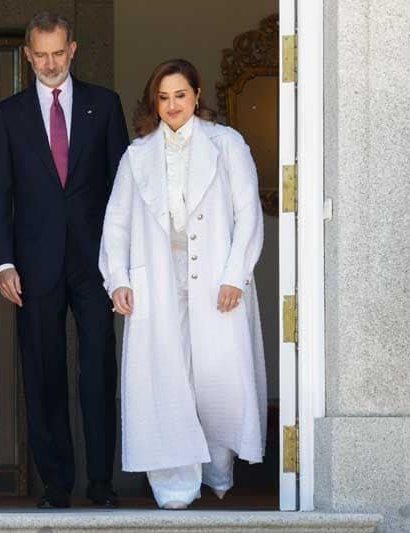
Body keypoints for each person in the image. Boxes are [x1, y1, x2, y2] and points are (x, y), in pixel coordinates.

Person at [99, 58, 266, 509]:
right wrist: (116, 279)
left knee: (216, 375)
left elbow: (249, 212)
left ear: (196, 96)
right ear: (154, 102)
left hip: (216, 275)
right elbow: (116, 223)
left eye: (181, 95)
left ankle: (217, 466)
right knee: (163, 377)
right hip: (156, 276)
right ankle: (173, 485)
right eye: (164, 97)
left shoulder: (227, 144)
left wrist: (236, 274)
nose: (173, 105)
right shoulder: (138, 154)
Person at [0, 12, 129, 509]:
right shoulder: (7, 115)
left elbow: (122, 192)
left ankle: (102, 484)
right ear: (28, 54)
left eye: (57, 53)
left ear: (74, 50)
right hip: (33, 266)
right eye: (39, 54)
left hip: (96, 266)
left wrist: (123, 266)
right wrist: (2, 263)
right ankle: (56, 485)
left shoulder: (105, 107)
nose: (49, 63)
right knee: (44, 375)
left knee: (98, 371)